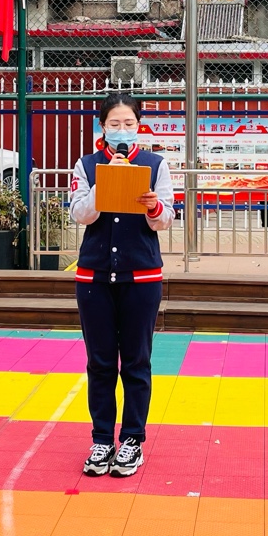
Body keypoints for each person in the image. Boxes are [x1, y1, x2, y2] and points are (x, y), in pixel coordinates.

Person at [68, 94, 175, 477]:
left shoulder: (155, 164)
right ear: (102, 127)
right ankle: (101, 440)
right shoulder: (87, 165)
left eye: (129, 123)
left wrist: (153, 207)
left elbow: (166, 218)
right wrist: (107, 180)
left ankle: (132, 440)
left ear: (139, 126)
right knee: (99, 363)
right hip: (94, 278)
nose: (122, 131)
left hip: (141, 278)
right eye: (114, 124)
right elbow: (80, 213)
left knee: (136, 361)